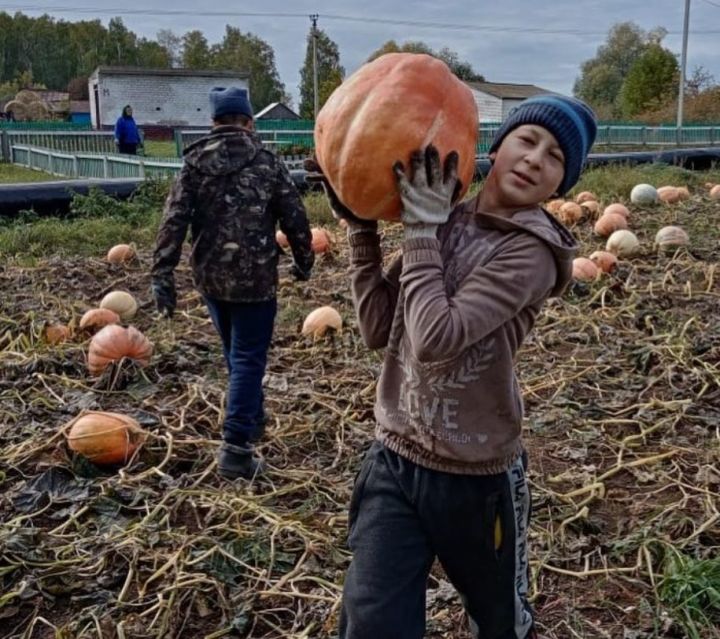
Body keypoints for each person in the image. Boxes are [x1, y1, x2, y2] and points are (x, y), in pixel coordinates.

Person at [317, 94, 597, 639]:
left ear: (560, 185)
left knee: (496, 622)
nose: (536, 158)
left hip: (475, 478)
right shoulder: (443, 214)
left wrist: (421, 231)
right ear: (496, 145)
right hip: (395, 459)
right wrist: (362, 228)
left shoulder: (532, 253)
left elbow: (434, 338)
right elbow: (381, 329)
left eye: (557, 156)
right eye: (528, 139)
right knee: (373, 617)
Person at [151, 86, 314, 480]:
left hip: (211, 278)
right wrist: (303, 261)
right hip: (256, 280)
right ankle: (237, 448)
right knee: (246, 359)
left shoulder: (193, 162)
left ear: (213, 122)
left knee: (235, 354)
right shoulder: (266, 161)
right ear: (248, 122)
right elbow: (294, 216)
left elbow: (173, 221)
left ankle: (252, 416)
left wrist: (162, 274)